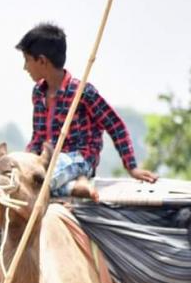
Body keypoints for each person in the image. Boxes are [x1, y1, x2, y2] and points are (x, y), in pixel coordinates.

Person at [16, 22, 158, 200]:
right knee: (17, 177)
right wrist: (25, 160)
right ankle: (74, 187)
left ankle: (78, 179)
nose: (25, 67)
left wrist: (132, 167)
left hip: (79, 158)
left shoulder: (82, 92)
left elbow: (115, 125)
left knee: (33, 183)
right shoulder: (38, 93)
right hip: (50, 160)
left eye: (27, 60)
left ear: (42, 61)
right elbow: (38, 138)